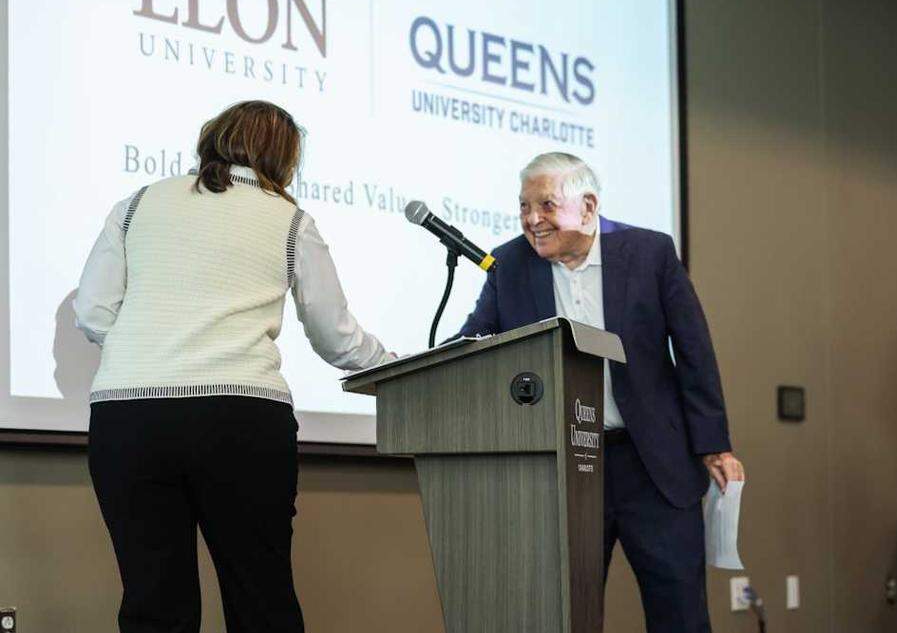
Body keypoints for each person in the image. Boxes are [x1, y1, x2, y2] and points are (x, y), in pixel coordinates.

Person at [74, 100, 391, 633]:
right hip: (240, 420)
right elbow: (337, 339)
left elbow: (93, 313)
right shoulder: (290, 219)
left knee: (153, 605)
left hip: (127, 419)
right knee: (260, 598)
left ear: (212, 139)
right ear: (284, 160)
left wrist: (151, 350)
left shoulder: (136, 203)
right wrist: (398, 370)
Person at [455, 152, 743, 633]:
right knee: (566, 615)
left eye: (546, 205)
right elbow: (476, 341)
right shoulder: (509, 264)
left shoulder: (650, 254)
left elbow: (695, 350)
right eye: (524, 206)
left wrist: (713, 442)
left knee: (681, 614)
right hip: (566, 470)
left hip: (653, 464)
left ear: (587, 208)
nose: (532, 219)